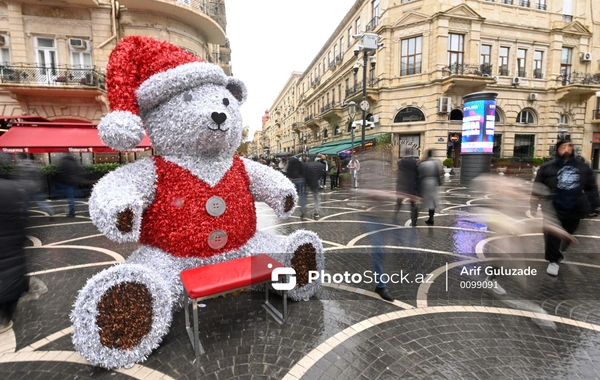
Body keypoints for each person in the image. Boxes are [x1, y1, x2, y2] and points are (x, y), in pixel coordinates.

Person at [532, 138, 600, 276]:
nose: (567, 149)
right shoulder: (547, 167)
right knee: (552, 235)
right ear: (557, 149)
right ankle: (553, 261)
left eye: (570, 146)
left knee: (568, 234)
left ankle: (559, 251)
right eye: (564, 146)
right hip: (552, 207)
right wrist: (533, 206)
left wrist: (595, 206)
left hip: (575, 207)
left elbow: (591, 188)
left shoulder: (582, 167)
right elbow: (537, 188)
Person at [0, 178, 28, 334]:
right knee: (13, 271)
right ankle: (6, 312)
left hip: (10, 237)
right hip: (13, 239)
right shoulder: (11, 187)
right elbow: (22, 214)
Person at [14, 153, 54, 219]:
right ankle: (50, 212)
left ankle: (25, 217)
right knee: (40, 201)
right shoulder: (33, 165)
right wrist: (40, 185)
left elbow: (19, 177)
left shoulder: (20, 166)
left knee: (25, 203)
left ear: (21, 158)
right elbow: (39, 175)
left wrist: (20, 186)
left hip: (25, 187)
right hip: (35, 186)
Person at [417, 149, 442, 225]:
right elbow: (438, 173)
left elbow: (419, 174)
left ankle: (415, 216)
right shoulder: (436, 163)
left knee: (421, 199)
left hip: (425, 182)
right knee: (432, 201)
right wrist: (439, 182)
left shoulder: (423, 163)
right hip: (433, 182)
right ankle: (431, 217)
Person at [395, 156, 419, 226]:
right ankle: (414, 221)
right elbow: (417, 176)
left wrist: (398, 186)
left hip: (402, 185)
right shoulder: (414, 163)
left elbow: (399, 175)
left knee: (399, 202)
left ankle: (395, 216)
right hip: (411, 185)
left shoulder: (401, 163)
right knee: (412, 204)